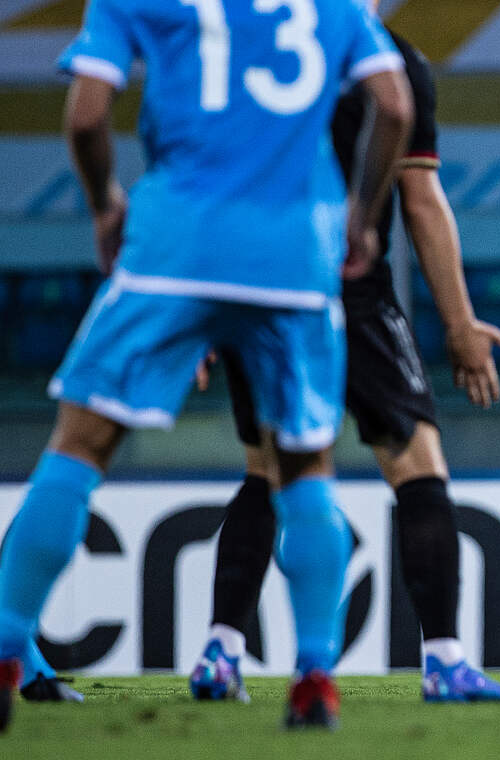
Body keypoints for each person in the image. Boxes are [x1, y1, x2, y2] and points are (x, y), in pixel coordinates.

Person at [0, 0, 412, 732]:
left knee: (78, 447)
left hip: (172, 248)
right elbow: (394, 105)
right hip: (290, 259)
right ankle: (314, 674)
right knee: (304, 470)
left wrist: (103, 206)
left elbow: (87, 116)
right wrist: (362, 218)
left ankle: (6, 648)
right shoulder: (335, 5)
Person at [186, 24, 500, 707]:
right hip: (355, 293)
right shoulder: (391, 57)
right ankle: (444, 662)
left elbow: (217, 183)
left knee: (266, 469)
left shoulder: (254, 43)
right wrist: (459, 324)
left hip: (265, 290)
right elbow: (422, 200)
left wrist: (205, 313)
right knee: (417, 465)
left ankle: (220, 653)